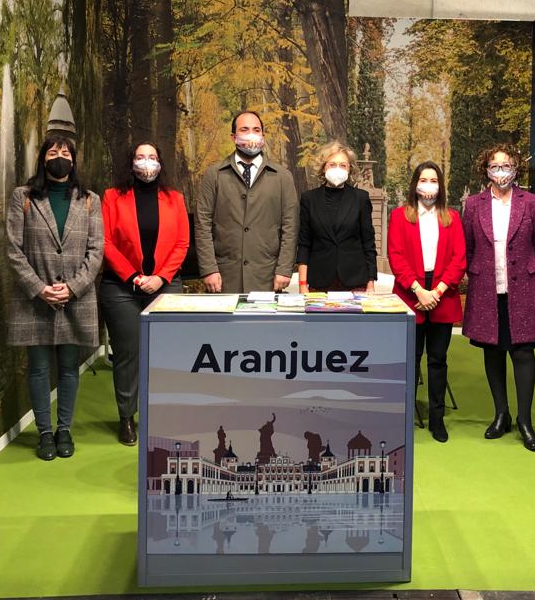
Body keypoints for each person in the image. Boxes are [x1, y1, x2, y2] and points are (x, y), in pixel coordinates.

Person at [5, 135, 103, 461]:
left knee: (69, 369)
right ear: (43, 158)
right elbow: (13, 250)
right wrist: (39, 288)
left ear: (73, 160)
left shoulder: (89, 200)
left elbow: (96, 251)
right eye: (52, 151)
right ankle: (44, 433)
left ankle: (64, 430)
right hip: (35, 301)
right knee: (38, 369)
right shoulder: (23, 197)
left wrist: (73, 287)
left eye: (65, 152)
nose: (59, 156)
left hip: (76, 298)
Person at [100, 142, 190, 446]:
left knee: (167, 353)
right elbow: (105, 242)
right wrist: (134, 277)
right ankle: (127, 417)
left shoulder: (175, 199)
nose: (147, 162)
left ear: (160, 163)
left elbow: (182, 243)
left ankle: (163, 415)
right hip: (121, 288)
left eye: (152, 157)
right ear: (131, 163)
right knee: (128, 355)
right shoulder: (112, 197)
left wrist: (161, 278)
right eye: (140, 157)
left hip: (165, 286)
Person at [462, 144, 535, 451]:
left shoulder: (532, 203)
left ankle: (525, 420)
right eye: (495, 165)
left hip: (523, 289)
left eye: (507, 165)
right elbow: (468, 247)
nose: (501, 171)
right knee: (493, 352)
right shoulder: (473, 205)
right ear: (486, 170)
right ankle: (501, 414)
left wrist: (530, 270)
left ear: (516, 168)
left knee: (523, 353)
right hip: (487, 288)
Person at [387, 161, 466, 443]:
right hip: (411, 293)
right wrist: (419, 291)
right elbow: (396, 256)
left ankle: (436, 418)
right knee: (410, 360)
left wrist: (437, 292)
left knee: (438, 360)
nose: (428, 185)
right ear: (415, 184)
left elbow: (459, 259)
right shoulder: (399, 216)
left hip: (443, 294)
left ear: (441, 186)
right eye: (424, 180)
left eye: (434, 180)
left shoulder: (452, 218)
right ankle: (405, 418)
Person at [194, 111, 298, 293]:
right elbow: (202, 224)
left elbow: (290, 226)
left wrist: (284, 269)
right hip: (224, 276)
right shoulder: (214, 175)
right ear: (233, 137)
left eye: (256, 130)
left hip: (267, 275)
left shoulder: (282, 177)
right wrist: (209, 269)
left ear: (263, 135)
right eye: (244, 129)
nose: (251, 134)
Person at [296, 141, 377, 293]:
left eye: (343, 165)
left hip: (355, 281)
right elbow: (304, 244)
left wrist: (371, 284)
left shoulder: (361, 198)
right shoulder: (309, 199)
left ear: (349, 169)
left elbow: (368, 244)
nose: (337, 169)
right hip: (319, 282)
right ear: (323, 167)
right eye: (332, 164)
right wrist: (302, 284)